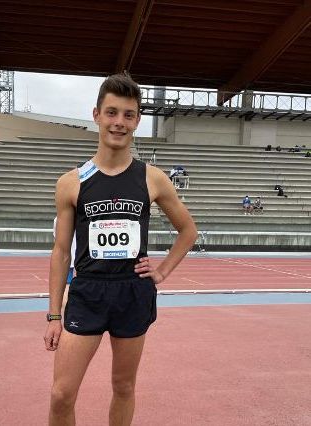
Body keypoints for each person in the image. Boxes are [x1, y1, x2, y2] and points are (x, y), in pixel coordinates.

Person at [44, 73, 197, 425]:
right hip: (87, 292)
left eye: (128, 115)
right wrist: (53, 315)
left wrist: (162, 271)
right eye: (112, 113)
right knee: (61, 394)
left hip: (132, 293)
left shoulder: (152, 178)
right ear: (96, 115)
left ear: (137, 120)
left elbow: (188, 231)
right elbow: (61, 252)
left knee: (124, 386)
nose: (119, 122)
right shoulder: (71, 183)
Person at [53, 216, 76, 309]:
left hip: (67, 260)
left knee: (66, 287)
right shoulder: (85, 216)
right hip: (82, 260)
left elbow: (57, 242)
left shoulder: (58, 219)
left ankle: (67, 315)